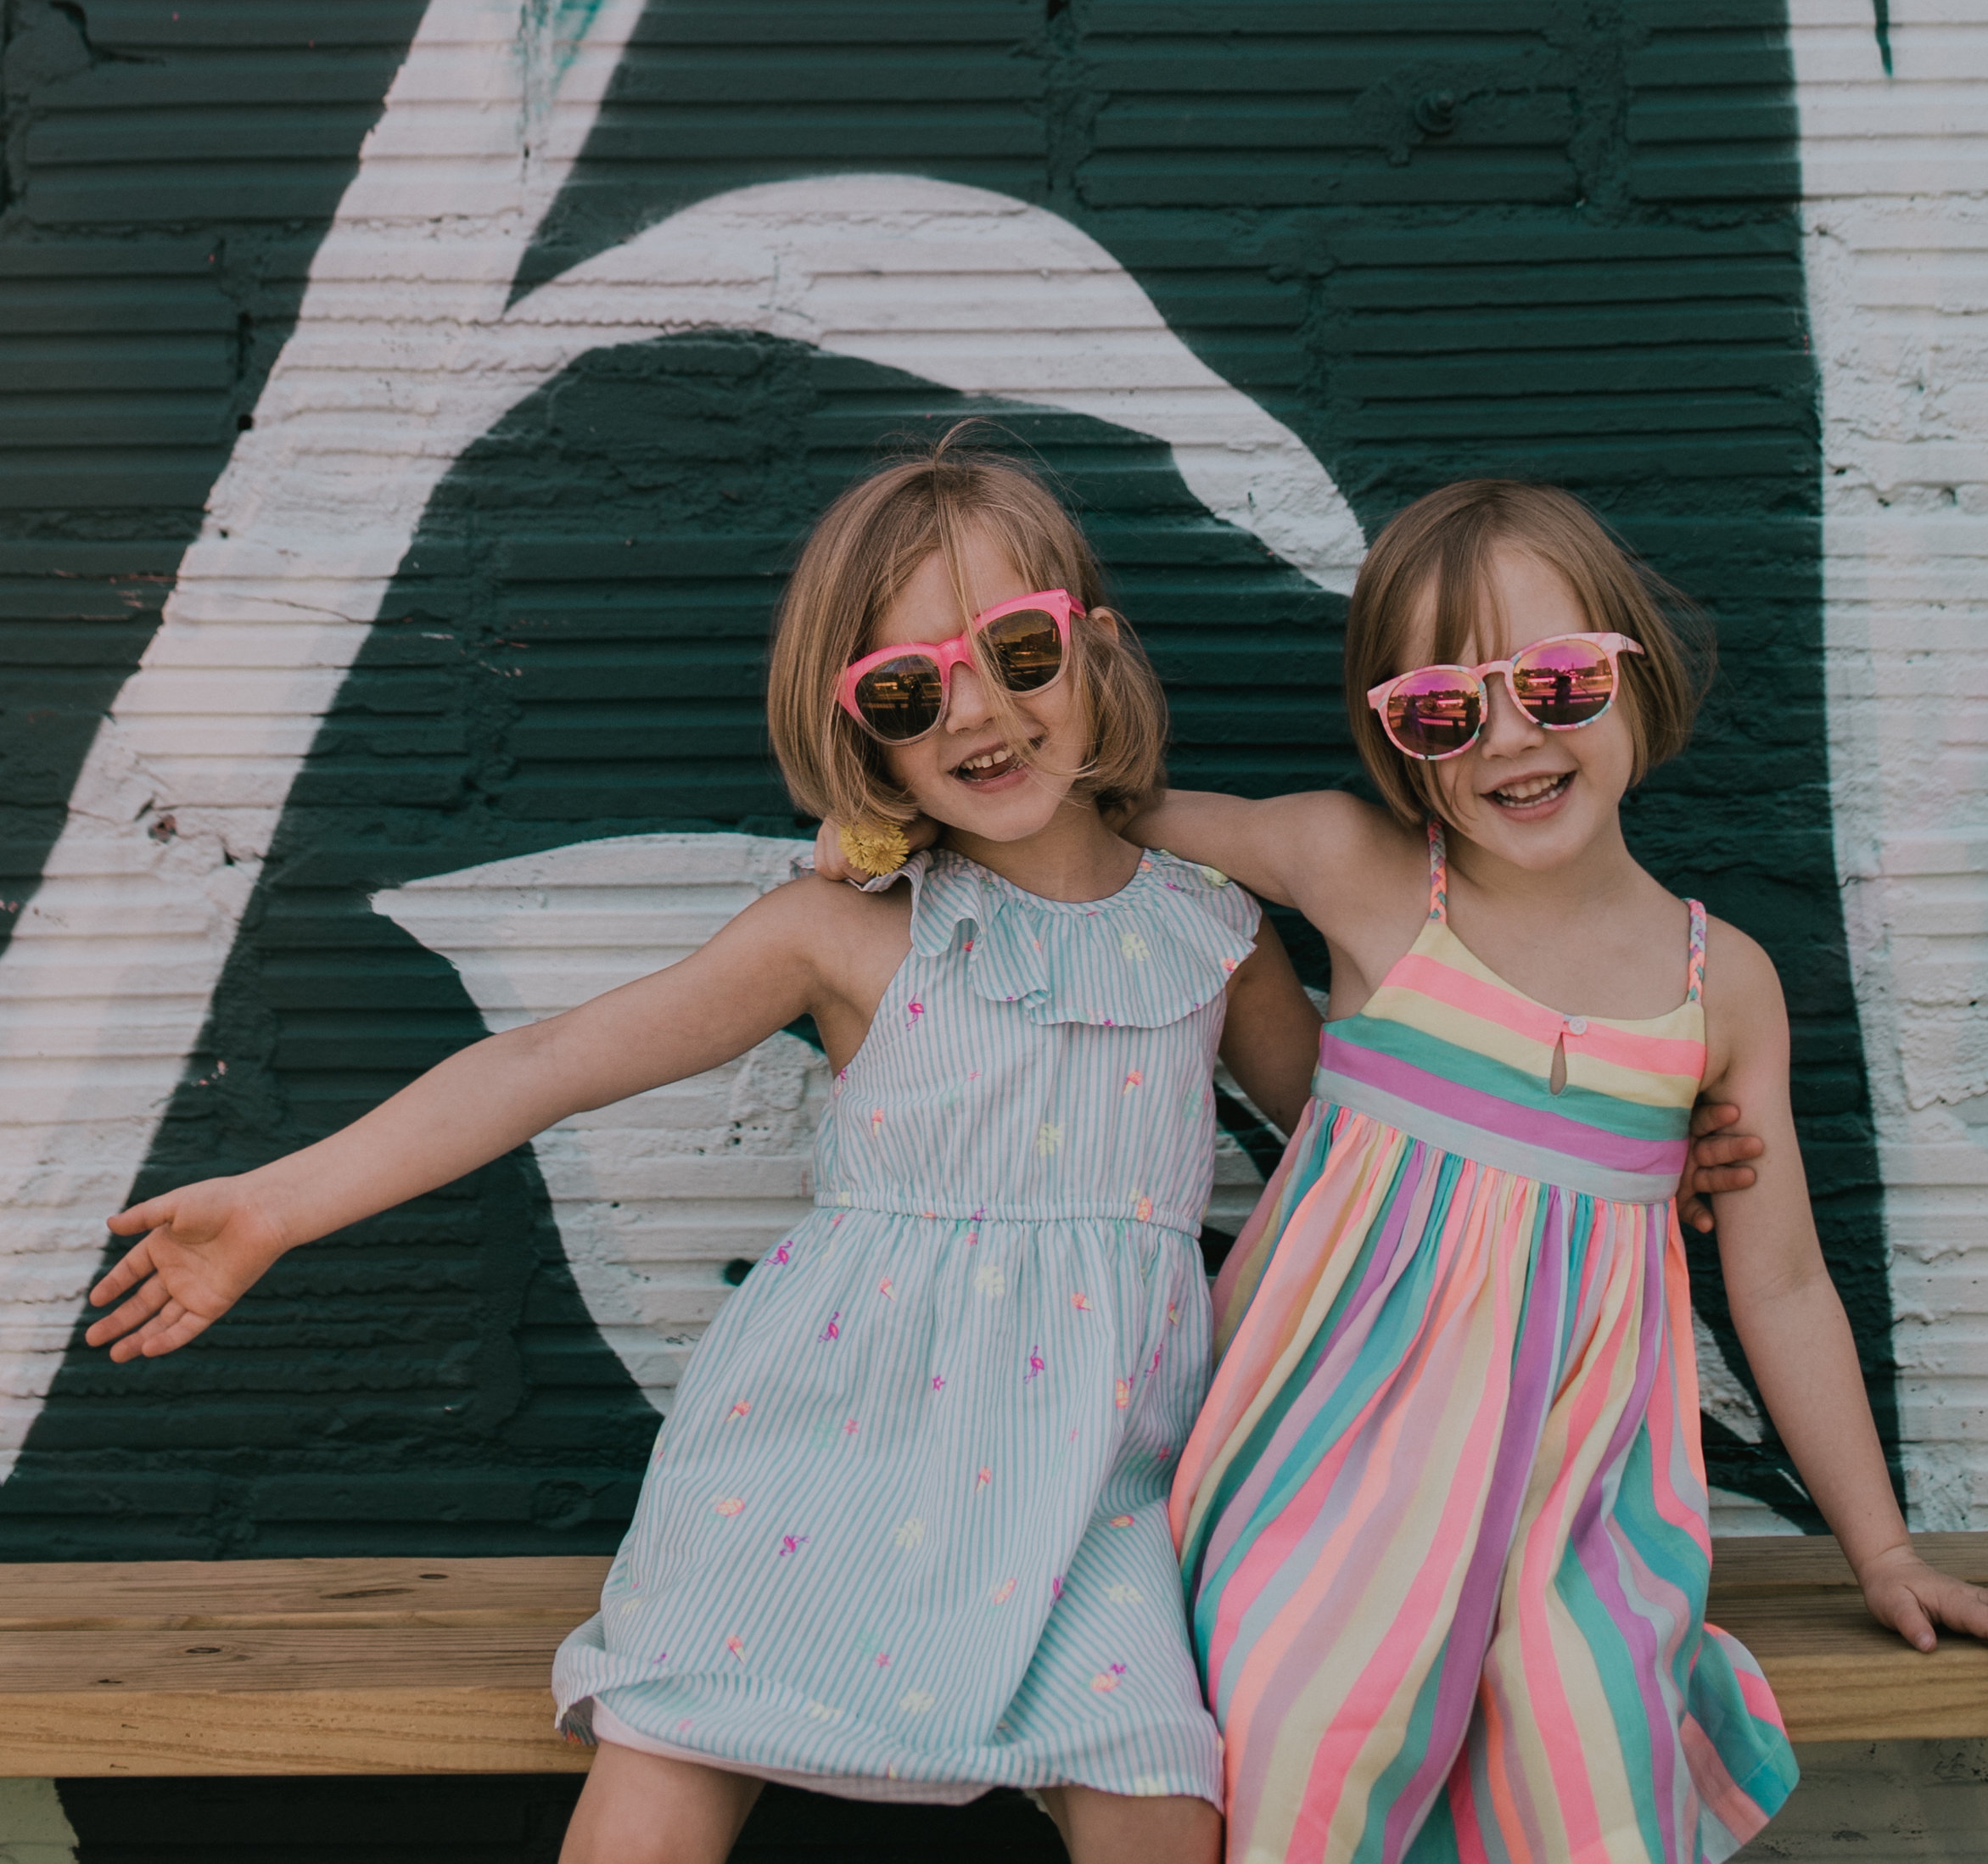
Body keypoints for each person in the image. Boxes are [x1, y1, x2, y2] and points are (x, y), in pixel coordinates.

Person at [83, 441, 1324, 1864]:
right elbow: (544, 1061)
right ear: (866, 733)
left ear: (1095, 649)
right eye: (911, 691)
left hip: (1093, 1487)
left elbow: (1366, 1155)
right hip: (820, 1449)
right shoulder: (848, 933)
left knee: (1162, 1788)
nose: (976, 709)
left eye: (1018, 650)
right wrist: (278, 1203)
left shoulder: (1214, 938)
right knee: (667, 1755)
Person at [1123, 476, 1988, 1864]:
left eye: (1558, 683)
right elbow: (1110, 821)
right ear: (1403, 743)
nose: (1511, 732)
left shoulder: (1719, 984)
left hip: (1570, 1501)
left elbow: (1788, 1281)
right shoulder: (1366, 876)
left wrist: (1886, 1550)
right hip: (1326, 1473)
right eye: (1445, 708)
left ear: (1633, 672)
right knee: (1302, 1706)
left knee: (1587, 1746)